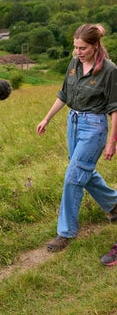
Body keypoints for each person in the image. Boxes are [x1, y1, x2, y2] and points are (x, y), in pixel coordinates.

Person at [36, 23, 117, 252]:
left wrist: (112, 141)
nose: (78, 52)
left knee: (73, 177)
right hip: (73, 122)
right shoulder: (74, 64)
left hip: (94, 126)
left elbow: (114, 108)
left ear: (95, 46)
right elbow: (64, 94)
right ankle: (113, 203)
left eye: (82, 48)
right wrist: (47, 118)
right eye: (76, 47)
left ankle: (66, 232)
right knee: (83, 169)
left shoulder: (109, 70)